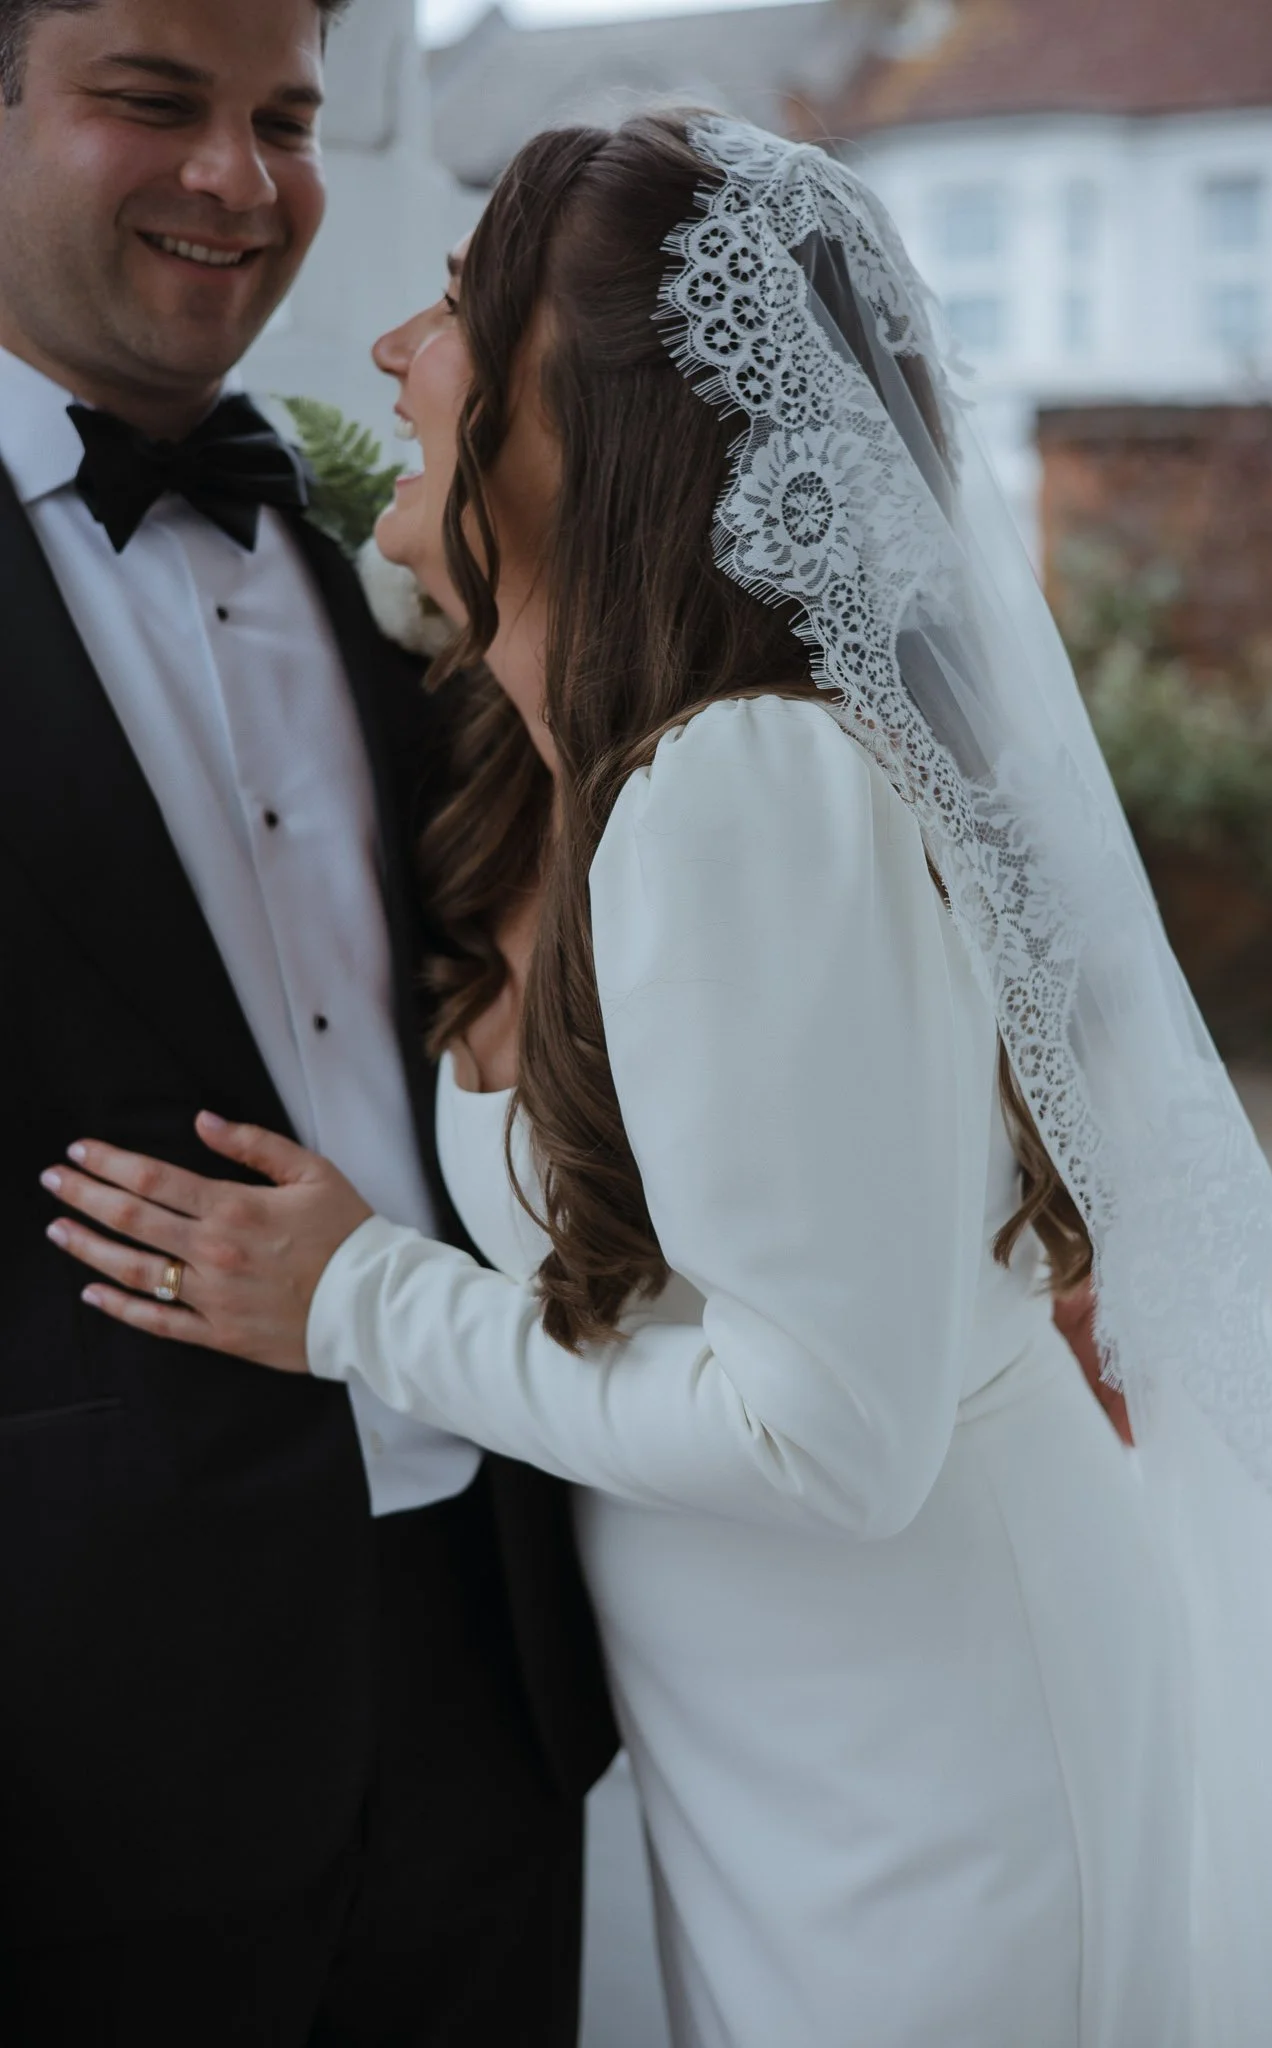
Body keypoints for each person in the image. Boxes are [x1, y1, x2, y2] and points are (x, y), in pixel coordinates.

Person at [43, 112, 1272, 2048]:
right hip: (768, 1739)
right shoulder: (551, 758)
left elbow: (822, 1436)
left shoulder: (741, 784)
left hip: (935, 1754)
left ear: (586, 416)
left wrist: (357, 1298)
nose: (395, 354)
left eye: (455, 307)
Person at [0, 3, 615, 2041]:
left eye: (282, 119)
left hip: (497, 1639)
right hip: (89, 1718)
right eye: (153, 104)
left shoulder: (408, 540)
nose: (239, 181)